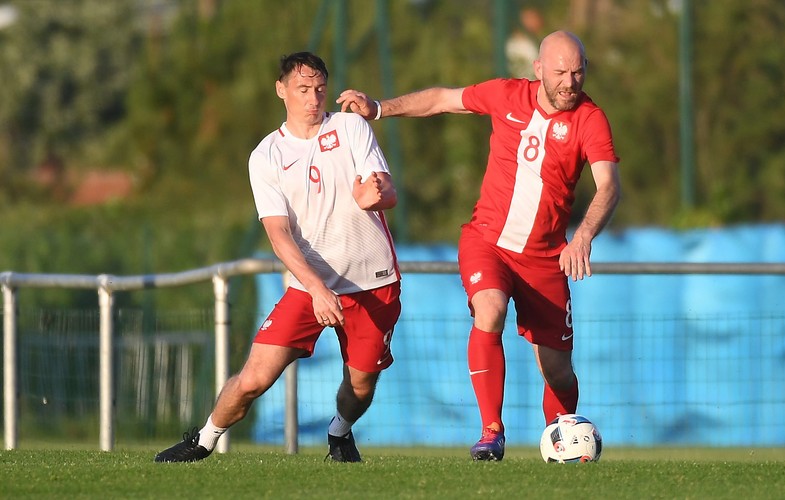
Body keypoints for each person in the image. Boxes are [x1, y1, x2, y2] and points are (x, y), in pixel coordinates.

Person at [338, 31, 620, 461]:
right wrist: (379, 108)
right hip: (487, 242)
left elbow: (608, 186)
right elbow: (441, 99)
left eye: (578, 71)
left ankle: (561, 438)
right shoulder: (505, 95)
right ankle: (491, 431)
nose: (570, 82)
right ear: (538, 69)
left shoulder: (589, 118)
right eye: (561, 72)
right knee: (489, 310)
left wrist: (582, 235)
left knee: (558, 370)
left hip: (546, 258)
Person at [155, 52, 402, 463]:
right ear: (281, 90)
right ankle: (203, 440)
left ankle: (339, 433)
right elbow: (278, 234)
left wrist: (376, 196)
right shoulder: (266, 155)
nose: (313, 98)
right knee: (254, 378)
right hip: (311, 286)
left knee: (362, 383)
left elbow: (387, 191)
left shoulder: (351, 126)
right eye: (303, 89)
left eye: (320, 88)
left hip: (373, 281)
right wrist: (318, 289)